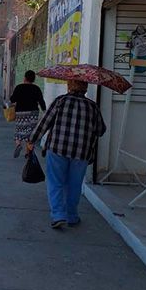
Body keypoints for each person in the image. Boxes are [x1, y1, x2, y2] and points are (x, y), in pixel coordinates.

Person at [27, 80, 106, 229]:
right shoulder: (92, 106)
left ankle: (58, 215)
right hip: (81, 153)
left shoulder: (60, 101)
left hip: (58, 149)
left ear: (69, 86)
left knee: (55, 182)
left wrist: (32, 140)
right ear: (85, 88)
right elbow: (101, 130)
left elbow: (45, 123)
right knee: (74, 185)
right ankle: (71, 216)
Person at [9, 70, 46, 158]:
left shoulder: (19, 87)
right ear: (33, 79)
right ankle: (28, 152)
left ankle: (18, 144)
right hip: (33, 113)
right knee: (30, 133)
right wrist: (44, 111)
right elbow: (41, 101)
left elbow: (12, 100)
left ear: (25, 78)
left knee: (19, 130)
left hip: (21, 113)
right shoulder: (36, 88)